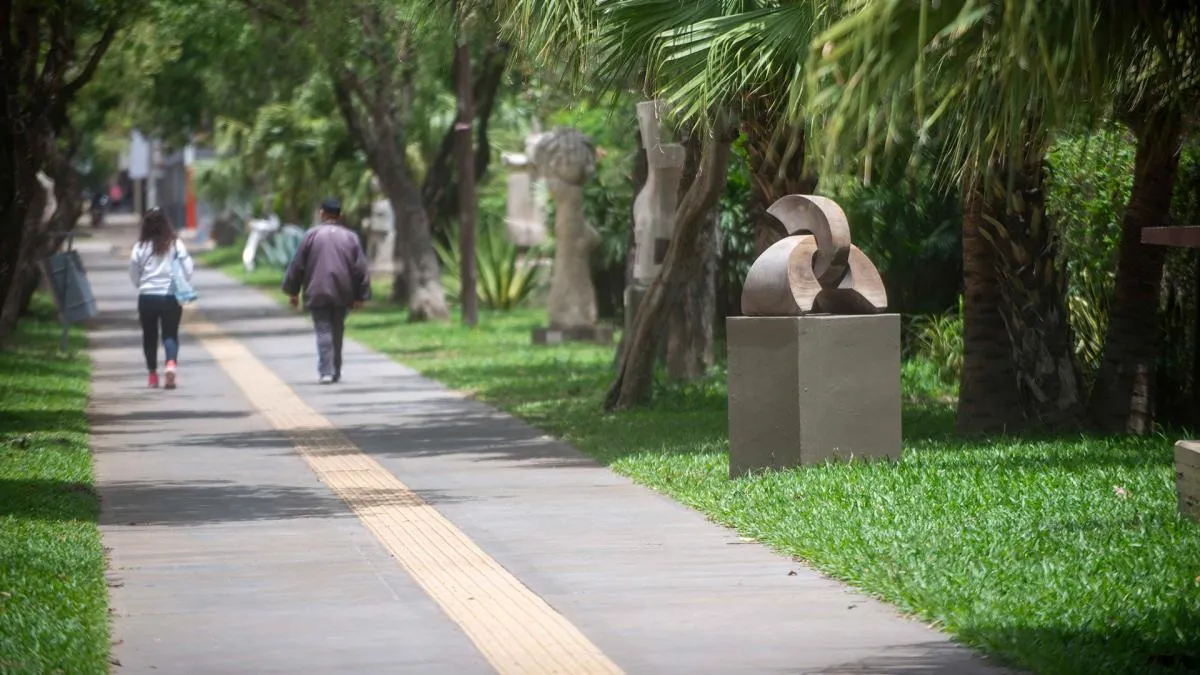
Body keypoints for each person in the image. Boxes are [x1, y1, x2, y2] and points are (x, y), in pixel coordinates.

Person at [282, 198, 371, 384]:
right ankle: (335, 369)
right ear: (340, 215)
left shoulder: (310, 236)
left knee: (323, 330)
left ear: (322, 213)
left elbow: (297, 265)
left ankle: (326, 371)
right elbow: (360, 268)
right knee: (337, 329)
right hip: (343, 291)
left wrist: (293, 291)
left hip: (317, 291)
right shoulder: (350, 237)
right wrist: (361, 295)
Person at [129, 207, 193, 389]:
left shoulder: (140, 247)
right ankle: (171, 364)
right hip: (170, 296)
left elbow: (133, 273)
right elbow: (188, 269)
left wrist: (141, 285)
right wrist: (182, 282)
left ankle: (152, 376)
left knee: (149, 336)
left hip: (147, 297)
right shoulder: (175, 244)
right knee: (170, 334)